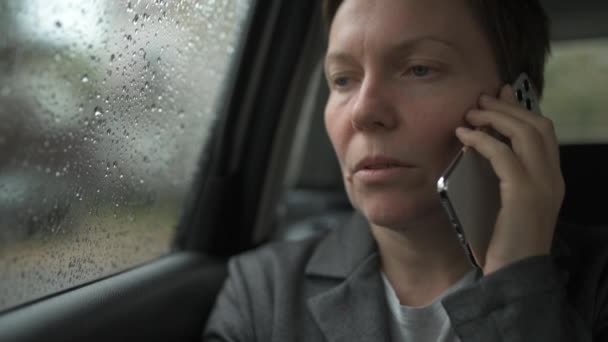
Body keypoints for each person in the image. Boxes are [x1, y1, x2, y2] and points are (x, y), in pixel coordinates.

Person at [204, 0, 608, 341]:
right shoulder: (263, 291)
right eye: (343, 79)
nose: (363, 111)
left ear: (517, 105)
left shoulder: (598, 284)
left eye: (419, 69)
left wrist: (517, 287)